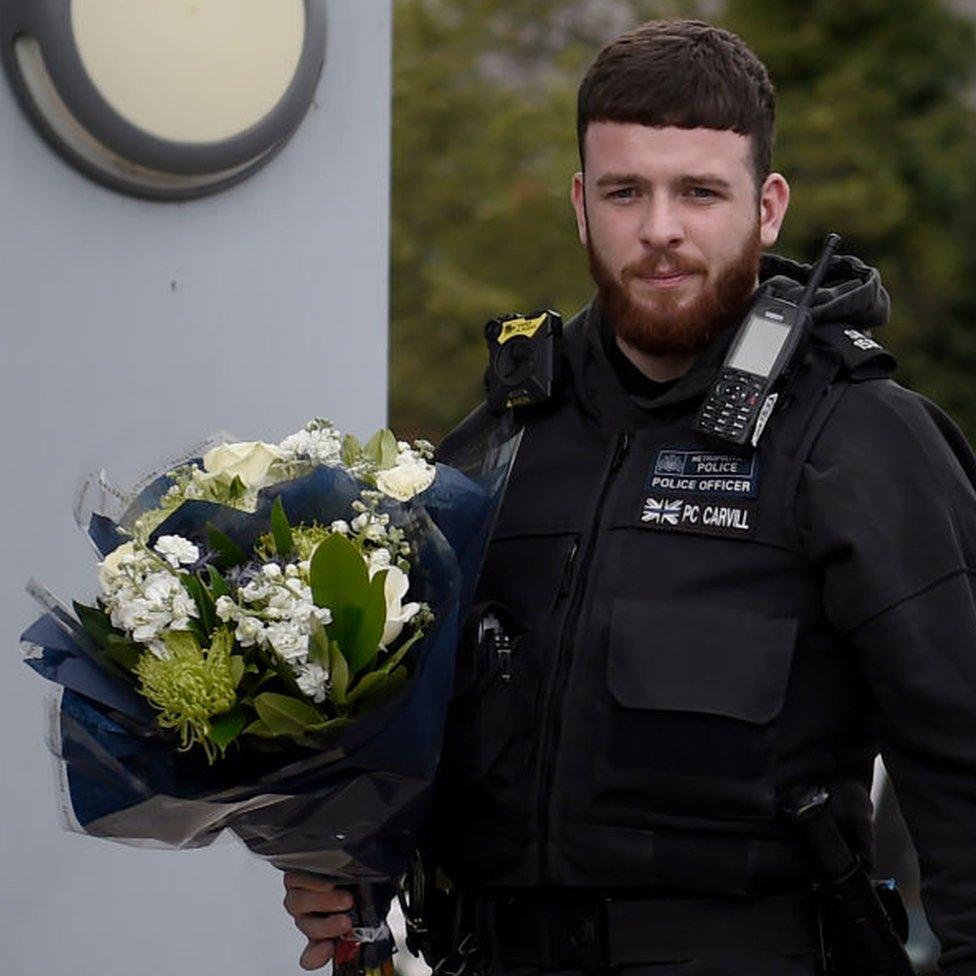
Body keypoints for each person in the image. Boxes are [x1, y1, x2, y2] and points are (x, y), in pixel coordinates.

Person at [283, 19, 976, 976]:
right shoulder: (500, 440)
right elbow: (421, 735)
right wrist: (345, 866)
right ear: (580, 203)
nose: (660, 229)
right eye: (624, 191)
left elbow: (964, 775)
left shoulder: (862, 441)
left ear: (767, 206)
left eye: (699, 191)